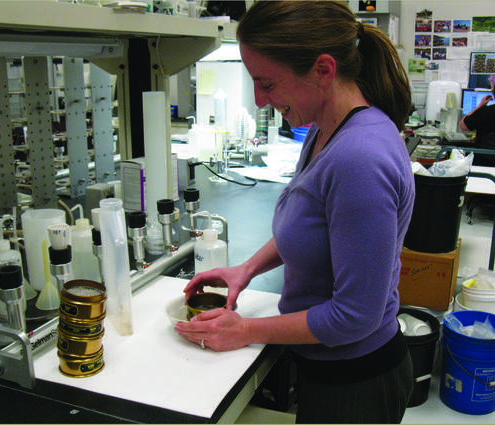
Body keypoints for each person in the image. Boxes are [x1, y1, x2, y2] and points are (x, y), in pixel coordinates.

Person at [172, 1, 416, 423]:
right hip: (326, 366)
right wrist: (246, 269)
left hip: (355, 383)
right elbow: (314, 227)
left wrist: (245, 330)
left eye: (266, 83)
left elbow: (356, 316)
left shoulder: (359, 157)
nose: (259, 100)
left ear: (323, 70)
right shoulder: (325, 129)